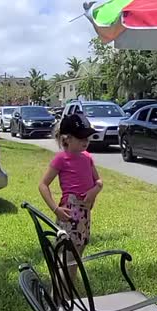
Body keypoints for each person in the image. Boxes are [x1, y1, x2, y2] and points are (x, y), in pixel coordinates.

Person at [38, 114, 103, 278]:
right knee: (65, 259)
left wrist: (94, 191)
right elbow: (43, 185)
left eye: (87, 136)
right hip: (69, 214)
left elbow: (99, 181)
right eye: (80, 137)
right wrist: (55, 209)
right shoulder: (61, 159)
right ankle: (58, 297)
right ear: (67, 139)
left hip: (85, 215)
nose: (85, 141)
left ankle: (70, 294)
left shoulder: (87, 158)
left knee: (77, 258)